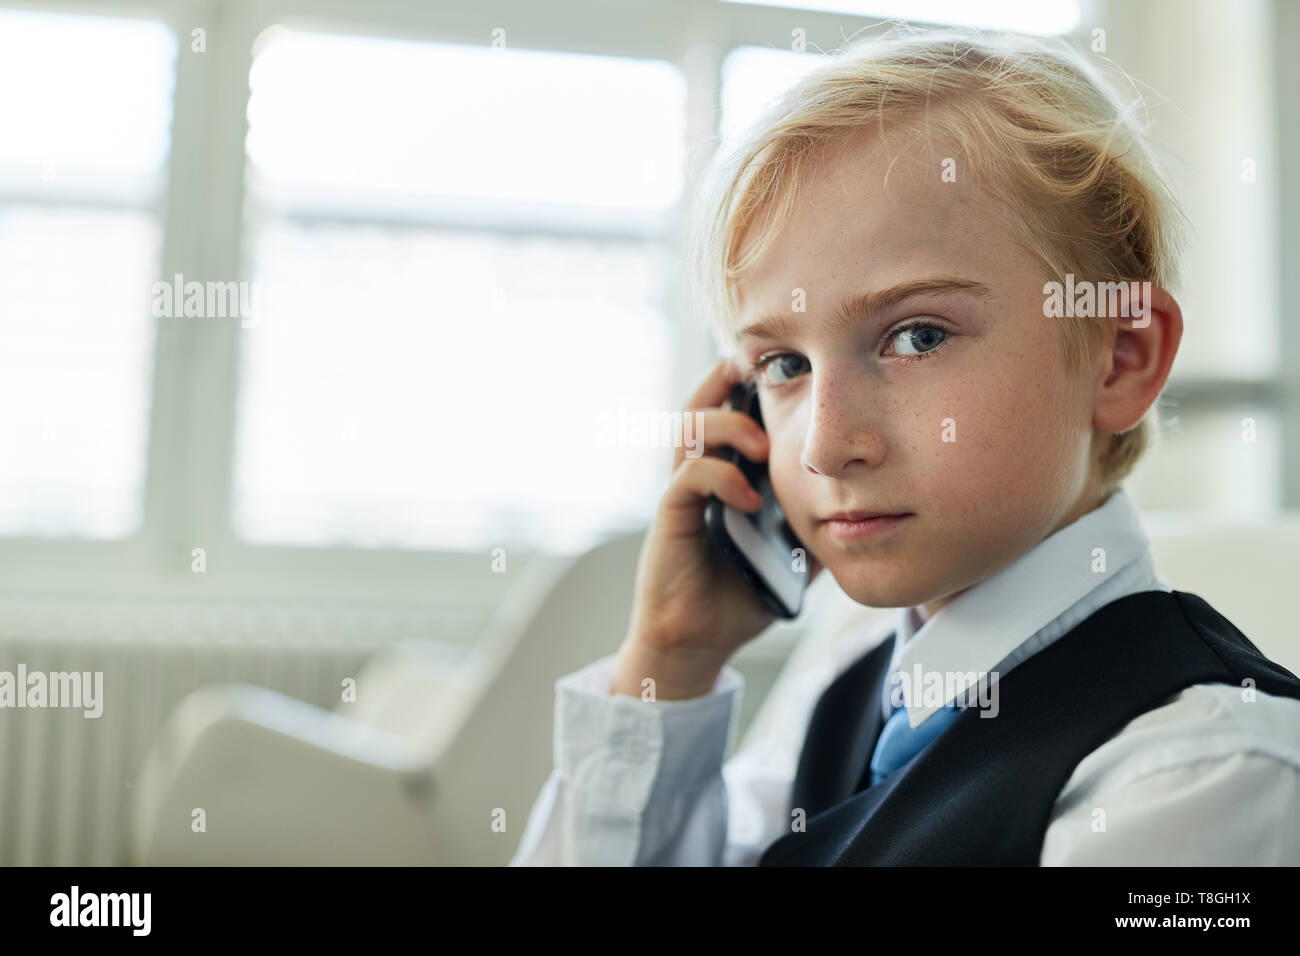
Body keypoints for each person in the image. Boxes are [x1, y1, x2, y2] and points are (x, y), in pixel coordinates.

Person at [509, 25, 1300, 866]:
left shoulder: (1203, 771)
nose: (823, 445)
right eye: (782, 363)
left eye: (917, 337)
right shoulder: (849, 695)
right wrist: (672, 657)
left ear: (1120, 356)